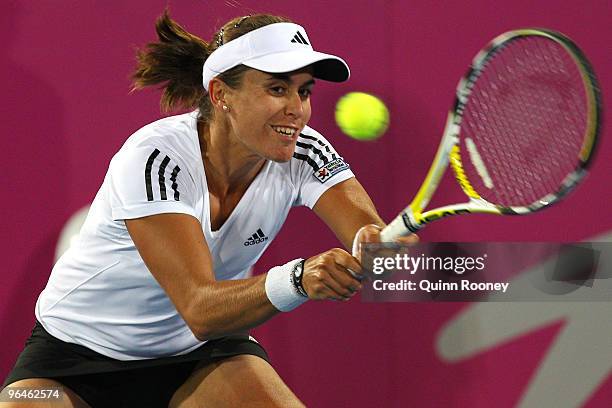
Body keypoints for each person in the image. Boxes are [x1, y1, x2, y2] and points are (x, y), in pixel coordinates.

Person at [1, 11, 415, 408]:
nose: (297, 109)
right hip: (73, 359)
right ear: (221, 94)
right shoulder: (156, 158)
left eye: (303, 91)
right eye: (277, 88)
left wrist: (384, 251)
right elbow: (200, 307)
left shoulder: (306, 152)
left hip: (201, 356)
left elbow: (372, 238)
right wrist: (299, 279)